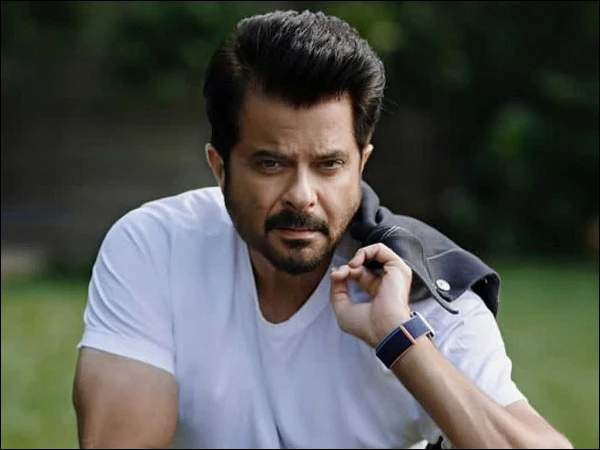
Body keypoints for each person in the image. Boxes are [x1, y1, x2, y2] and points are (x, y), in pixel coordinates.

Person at [71, 9, 573, 449]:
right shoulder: (155, 247)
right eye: (271, 164)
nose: (302, 195)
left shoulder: (425, 288)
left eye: (329, 165)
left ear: (361, 164)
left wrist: (400, 340)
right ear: (219, 167)